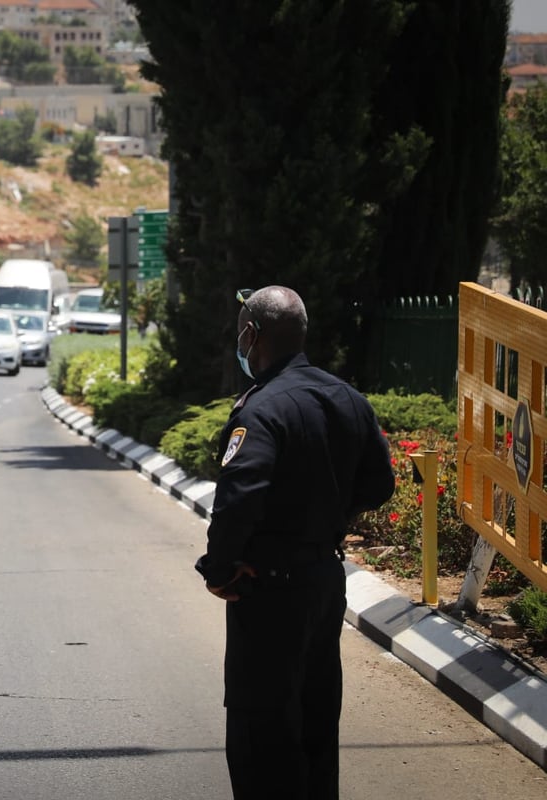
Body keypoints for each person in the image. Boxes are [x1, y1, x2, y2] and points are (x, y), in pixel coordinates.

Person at [195, 286, 395, 800]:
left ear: (251, 334)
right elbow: (380, 485)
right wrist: (326, 520)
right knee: (314, 726)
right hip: (324, 583)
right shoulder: (347, 397)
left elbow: (239, 499)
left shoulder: (260, 410)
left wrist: (219, 570)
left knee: (261, 733)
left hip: (267, 588)